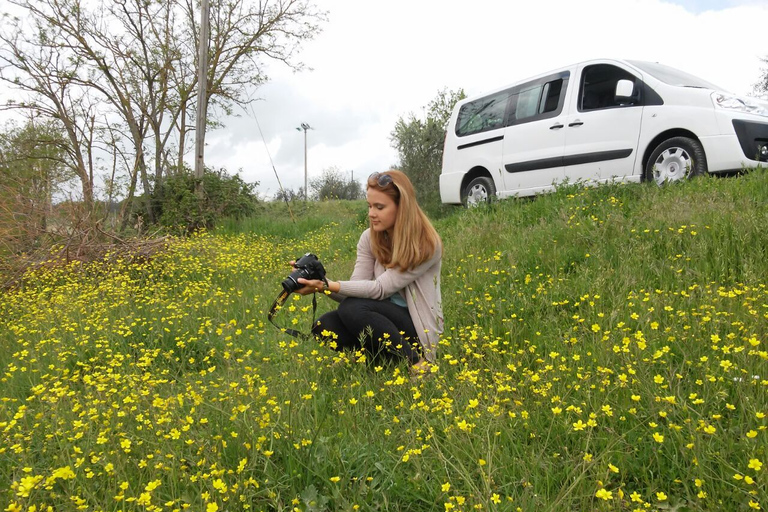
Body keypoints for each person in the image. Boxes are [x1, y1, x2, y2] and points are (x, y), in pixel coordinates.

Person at [292, 170, 443, 377]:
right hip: (382, 321)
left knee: (353, 308)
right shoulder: (369, 238)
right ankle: (375, 358)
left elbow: (380, 289)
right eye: (370, 206)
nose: (371, 213)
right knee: (324, 325)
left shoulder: (425, 243)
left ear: (402, 208)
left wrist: (328, 285)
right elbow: (355, 290)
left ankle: (416, 362)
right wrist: (318, 283)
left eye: (379, 207)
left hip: (417, 329)